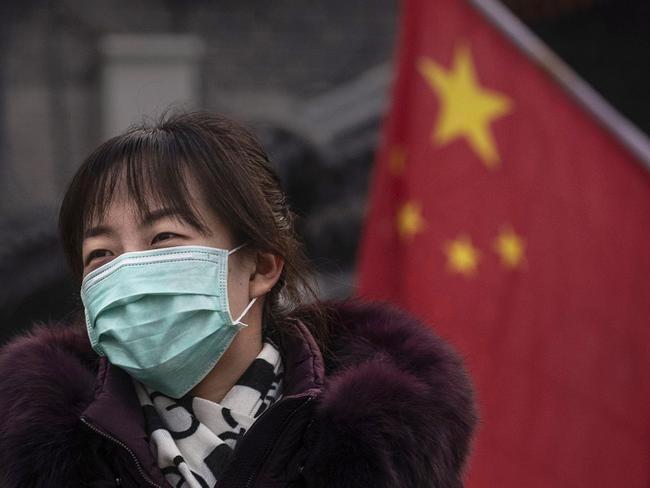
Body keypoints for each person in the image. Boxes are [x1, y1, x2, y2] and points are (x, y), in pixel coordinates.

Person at [0, 112, 476, 487]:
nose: (126, 270)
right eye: (99, 253)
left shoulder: (383, 451)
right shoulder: (36, 450)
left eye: (164, 238)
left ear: (262, 267)